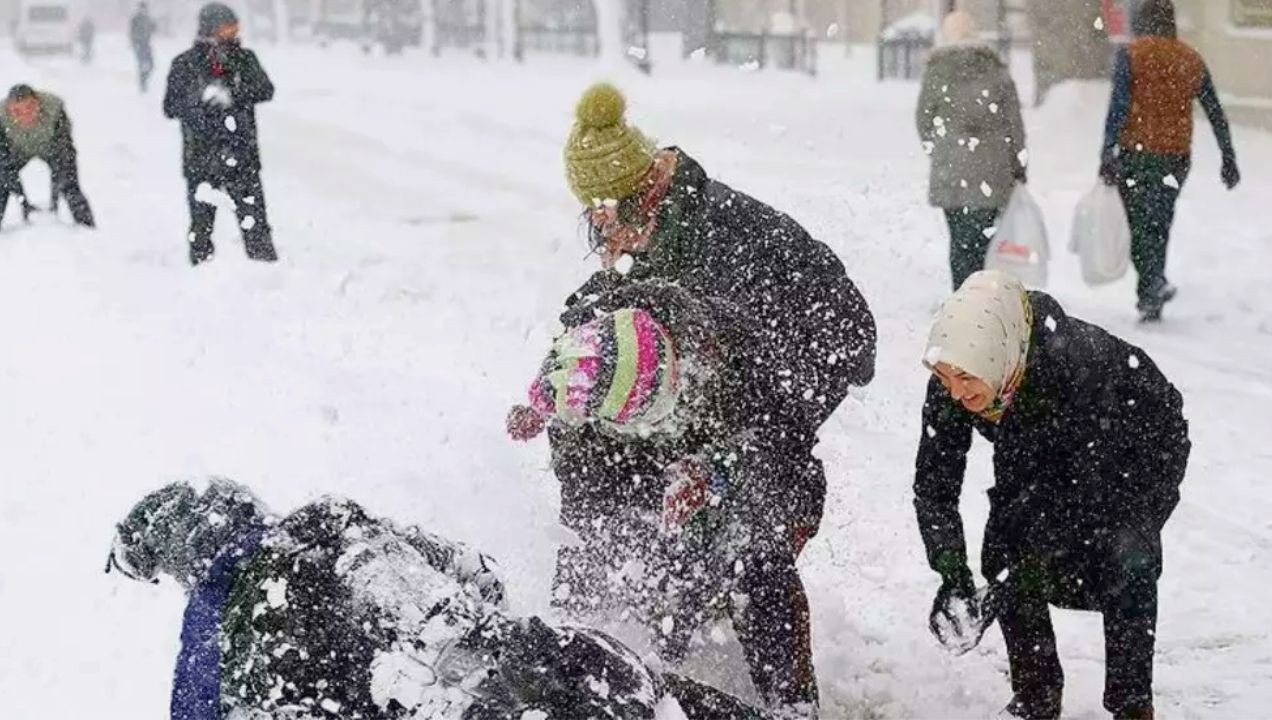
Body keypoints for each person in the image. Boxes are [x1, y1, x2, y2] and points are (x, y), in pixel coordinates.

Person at [547, 82, 877, 716]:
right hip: (704, 408)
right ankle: (611, 648)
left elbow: (847, 340)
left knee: (747, 543)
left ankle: (791, 705)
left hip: (783, 394)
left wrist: (742, 448)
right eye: (590, 214)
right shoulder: (643, 245)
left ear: (643, 193)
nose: (598, 230)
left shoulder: (730, 246)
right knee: (615, 507)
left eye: (603, 214)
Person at [107, 478, 776, 720]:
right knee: (654, 696)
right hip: (558, 662)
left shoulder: (225, 645)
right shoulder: (330, 518)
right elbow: (479, 576)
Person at [509, 282, 835, 718]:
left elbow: (785, 450)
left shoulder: (735, 347)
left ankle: (792, 707)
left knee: (754, 558)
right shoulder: (577, 391)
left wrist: (715, 473)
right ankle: (656, 683)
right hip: (636, 466)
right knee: (633, 566)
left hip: (745, 475)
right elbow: (584, 526)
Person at [913, 271, 1190, 720]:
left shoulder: (1071, 367)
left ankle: (1132, 704)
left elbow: (1059, 502)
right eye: (944, 377)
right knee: (1005, 549)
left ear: (996, 359)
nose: (956, 392)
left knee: (1126, 557)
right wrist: (951, 572)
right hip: (1052, 452)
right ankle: (1037, 696)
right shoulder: (959, 371)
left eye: (965, 378)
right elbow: (933, 485)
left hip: (1137, 447)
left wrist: (1004, 587)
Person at [1100, 0, 1239, 322]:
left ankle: (1151, 286)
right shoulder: (1189, 58)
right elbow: (1215, 110)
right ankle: (1153, 290)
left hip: (1137, 155)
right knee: (1159, 222)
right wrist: (1227, 156)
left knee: (1139, 226)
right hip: (1176, 158)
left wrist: (1107, 151)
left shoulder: (1131, 55)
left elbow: (1118, 107)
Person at [916, 10, 1028, 290]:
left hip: (951, 170)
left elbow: (923, 118)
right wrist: (1018, 163)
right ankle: (978, 294)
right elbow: (1014, 123)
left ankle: (962, 295)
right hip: (992, 169)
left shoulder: (937, 70)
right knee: (982, 241)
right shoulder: (996, 69)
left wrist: (940, 149)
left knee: (959, 239)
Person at [163, 2, 277, 266]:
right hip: (201, 158)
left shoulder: (245, 59)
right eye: (227, 28)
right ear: (210, 28)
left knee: (255, 225)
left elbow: (265, 89)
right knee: (201, 227)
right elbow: (170, 106)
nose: (233, 33)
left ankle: (267, 276)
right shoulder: (185, 64)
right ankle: (202, 278)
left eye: (234, 27)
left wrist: (233, 95)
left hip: (242, 156)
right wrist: (199, 101)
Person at [0, 85, 96, 228]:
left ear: (38, 102)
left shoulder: (55, 109)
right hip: (17, 150)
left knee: (69, 181)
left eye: (30, 108)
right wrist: (22, 199)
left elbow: (65, 147)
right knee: (2, 181)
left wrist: (56, 192)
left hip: (51, 147)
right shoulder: (1, 119)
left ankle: (87, 227)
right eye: (17, 112)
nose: (26, 115)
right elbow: (3, 157)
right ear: (9, 110)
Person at [131, 2, 159, 93]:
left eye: (145, 9)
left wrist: (155, 24)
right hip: (139, 44)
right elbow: (131, 32)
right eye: (142, 8)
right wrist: (134, 44)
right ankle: (142, 82)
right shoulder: (135, 19)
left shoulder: (148, 19)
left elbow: (154, 29)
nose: (143, 11)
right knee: (143, 64)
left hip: (146, 44)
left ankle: (143, 80)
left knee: (151, 65)